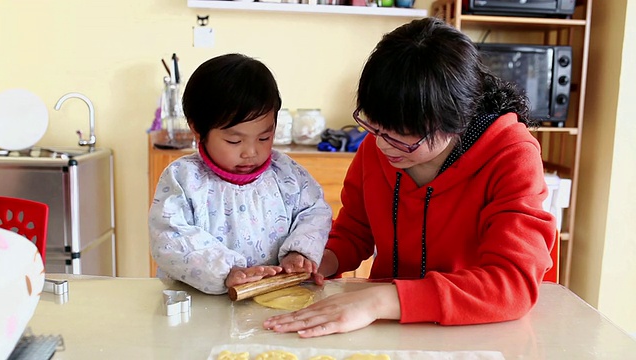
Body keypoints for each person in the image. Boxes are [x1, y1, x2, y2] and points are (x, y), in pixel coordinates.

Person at [264, 17, 557, 337]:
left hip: (476, 329)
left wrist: (378, 300)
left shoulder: (511, 156)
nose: (381, 145)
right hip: (389, 326)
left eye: (402, 137)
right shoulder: (380, 147)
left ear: (456, 120)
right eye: (374, 127)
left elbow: (511, 283)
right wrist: (314, 261)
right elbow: (354, 231)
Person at [149, 53, 332, 295]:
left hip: (271, 301)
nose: (251, 152)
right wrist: (227, 272)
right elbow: (170, 237)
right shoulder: (184, 179)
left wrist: (298, 252)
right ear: (197, 128)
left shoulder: (288, 175)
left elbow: (315, 212)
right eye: (234, 140)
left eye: (264, 137)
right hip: (199, 306)